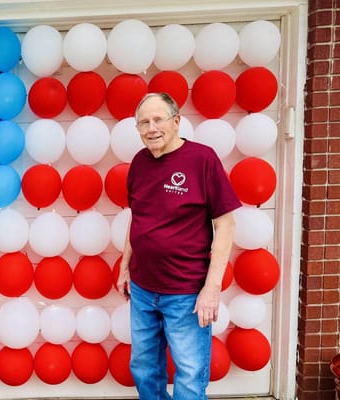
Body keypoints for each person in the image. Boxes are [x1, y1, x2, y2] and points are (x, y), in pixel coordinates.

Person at [116, 92, 241, 399]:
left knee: (189, 373)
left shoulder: (202, 159)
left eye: (158, 119)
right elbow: (138, 217)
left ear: (176, 122)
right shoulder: (139, 163)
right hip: (143, 290)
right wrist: (124, 267)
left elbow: (225, 225)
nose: (151, 128)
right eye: (143, 122)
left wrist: (211, 290)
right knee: (144, 368)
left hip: (186, 293)